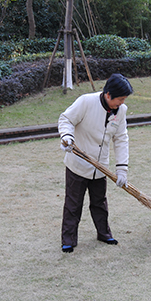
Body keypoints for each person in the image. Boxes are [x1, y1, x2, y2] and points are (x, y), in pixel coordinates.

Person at [58, 73, 133, 253]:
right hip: (77, 164)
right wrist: (67, 137)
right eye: (119, 99)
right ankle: (68, 240)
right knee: (73, 204)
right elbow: (66, 119)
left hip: (100, 168)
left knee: (100, 203)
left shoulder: (121, 111)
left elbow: (121, 139)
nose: (122, 103)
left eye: (124, 99)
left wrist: (122, 170)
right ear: (108, 94)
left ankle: (104, 234)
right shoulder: (85, 102)